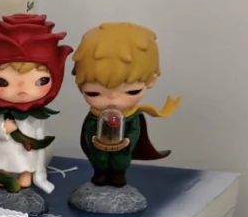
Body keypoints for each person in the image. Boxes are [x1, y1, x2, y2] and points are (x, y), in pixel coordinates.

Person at [0, 13, 72, 198]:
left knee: (25, 174)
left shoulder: (36, 116)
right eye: (2, 82)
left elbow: (39, 136)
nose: (22, 89)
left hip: (27, 152)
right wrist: (3, 128)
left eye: (40, 81)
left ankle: (24, 178)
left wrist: (39, 168)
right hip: (4, 149)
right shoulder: (0, 113)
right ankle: (2, 177)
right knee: (2, 166)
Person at [71, 23, 180, 188]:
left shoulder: (131, 116)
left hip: (122, 146)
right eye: (94, 93)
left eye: (131, 92)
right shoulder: (95, 115)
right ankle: (100, 174)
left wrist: (128, 140)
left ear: (151, 81)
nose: (113, 101)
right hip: (99, 145)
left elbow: (135, 130)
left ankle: (118, 175)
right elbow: (89, 129)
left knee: (120, 160)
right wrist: (93, 138)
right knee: (99, 158)